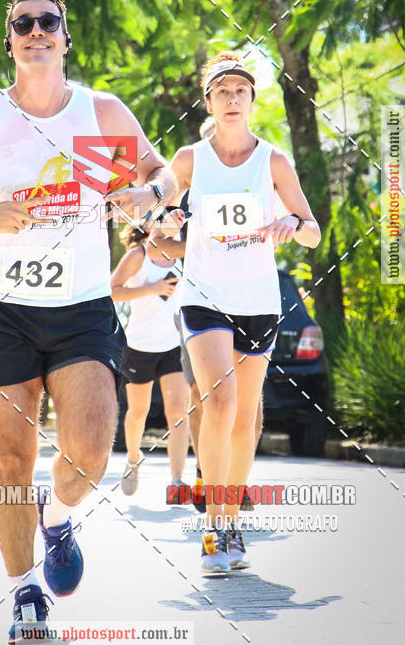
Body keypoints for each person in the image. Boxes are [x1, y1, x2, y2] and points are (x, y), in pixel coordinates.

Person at [0, 0, 176, 643]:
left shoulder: (101, 112)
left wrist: (148, 191)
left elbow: (166, 173)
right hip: (4, 313)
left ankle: (56, 516)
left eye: (47, 21)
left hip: (81, 310)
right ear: (9, 41)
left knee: (88, 453)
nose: (35, 31)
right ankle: (26, 596)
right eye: (21, 23)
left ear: (64, 35)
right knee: (10, 457)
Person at [151, 51, 320, 573]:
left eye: (239, 91)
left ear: (251, 100)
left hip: (258, 301)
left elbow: (313, 232)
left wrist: (291, 223)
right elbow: (156, 231)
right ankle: (209, 531)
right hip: (204, 297)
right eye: (221, 91)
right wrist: (169, 215)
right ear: (208, 101)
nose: (231, 99)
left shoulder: (272, 161)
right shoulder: (187, 160)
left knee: (246, 419)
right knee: (219, 405)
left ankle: (230, 523)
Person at [110, 220, 189, 501]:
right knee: (138, 412)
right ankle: (133, 460)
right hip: (139, 346)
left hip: (174, 346)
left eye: (181, 217)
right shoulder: (138, 255)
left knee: (179, 412)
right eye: (169, 216)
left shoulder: (184, 254)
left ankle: (177, 481)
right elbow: (113, 290)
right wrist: (152, 288)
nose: (177, 222)